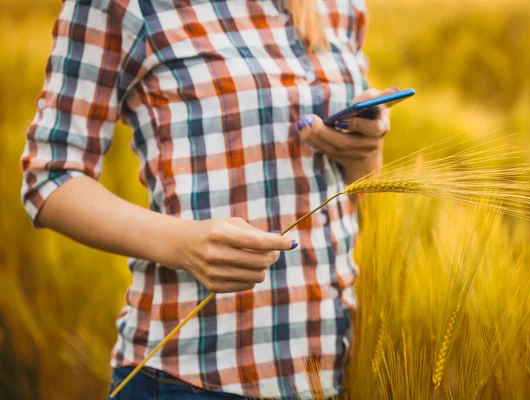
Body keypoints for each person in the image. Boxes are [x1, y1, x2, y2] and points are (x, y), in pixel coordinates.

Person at [20, 0, 392, 398]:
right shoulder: (125, 6)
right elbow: (51, 176)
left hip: (335, 370)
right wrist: (185, 244)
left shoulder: (340, 6)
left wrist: (365, 144)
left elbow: (362, 192)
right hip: (191, 379)